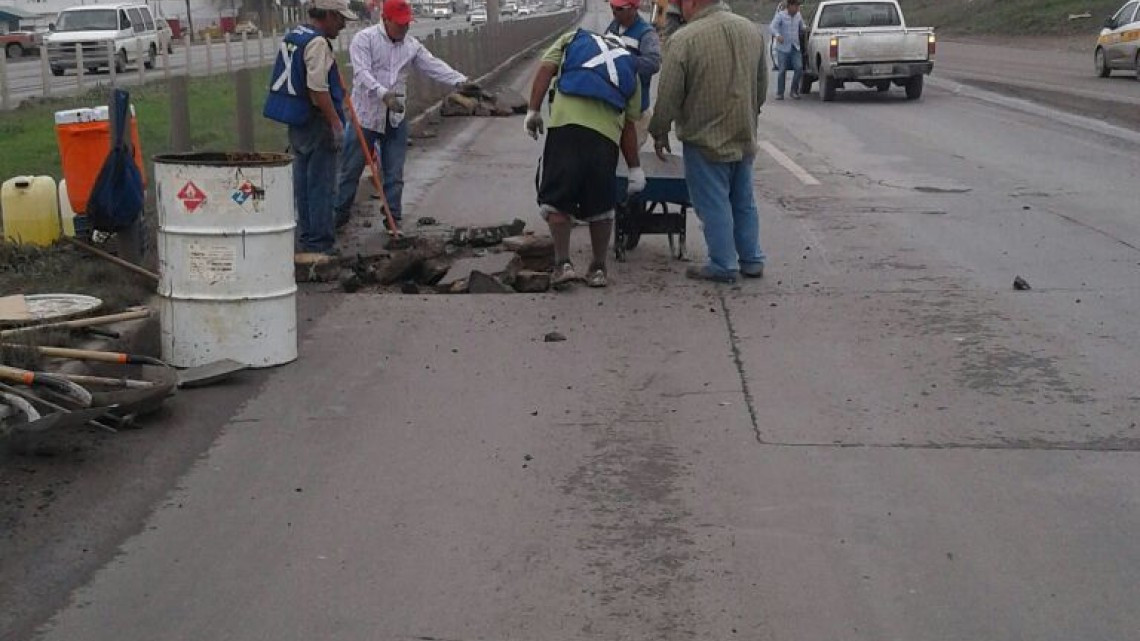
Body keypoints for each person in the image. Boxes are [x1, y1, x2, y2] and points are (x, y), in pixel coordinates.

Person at [648, 0, 767, 283]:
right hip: (744, 131)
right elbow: (761, 88)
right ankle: (751, 259)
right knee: (743, 200)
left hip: (705, 138)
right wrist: (749, 115)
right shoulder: (751, 31)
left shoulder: (684, 39)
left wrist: (659, 129)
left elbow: (668, 95)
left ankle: (723, 264)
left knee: (713, 202)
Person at [334, 0, 478, 227]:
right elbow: (362, 73)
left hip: (395, 118)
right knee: (350, 171)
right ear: (386, 20)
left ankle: (393, 217)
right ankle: (338, 216)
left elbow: (432, 65)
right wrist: (383, 94)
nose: (404, 28)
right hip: (366, 117)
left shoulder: (411, 46)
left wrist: (460, 81)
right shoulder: (365, 39)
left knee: (395, 173)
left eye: (407, 24)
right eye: (400, 24)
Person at [524, 29, 645, 289]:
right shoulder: (630, 65)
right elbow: (629, 124)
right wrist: (635, 168)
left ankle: (563, 264)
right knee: (601, 205)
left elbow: (546, 68)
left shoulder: (571, 38)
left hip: (565, 129)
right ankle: (598, 268)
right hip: (605, 138)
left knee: (556, 200)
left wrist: (533, 110)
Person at [263, 0, 356, 255]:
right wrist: (335, 122)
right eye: (339, 19)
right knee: (321, 185)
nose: (342, 25)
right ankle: (320, 245)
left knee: (303, 184)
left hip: (298, 119)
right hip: (317, 120)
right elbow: (317, 89)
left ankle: (306, 239)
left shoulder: (295, 35)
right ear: (326, 15)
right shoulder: (317, 43)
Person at [605, 0, 661, 147]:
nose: (614, 11)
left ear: (633, 9)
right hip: (613, 108)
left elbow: (653, 63)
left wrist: (624, 61)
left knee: (628, 158)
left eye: (619, 8)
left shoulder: (646, 33)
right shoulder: (613, 26)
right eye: (612, 6)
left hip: (635, 113)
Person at [769, 0, 805, 100]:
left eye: (798, 6)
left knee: (799, 68)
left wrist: (805, 31)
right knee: (782, 70)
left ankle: (794, 90)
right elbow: (772, 27)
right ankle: (780, 93)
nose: (797, 8)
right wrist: (777, 35)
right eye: (796, 6)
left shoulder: (798, 15)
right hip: (783, 48)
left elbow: (802, 27)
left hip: (795, 47)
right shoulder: (781, 16)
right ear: (789, 6)